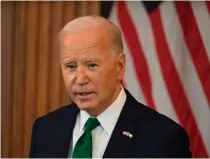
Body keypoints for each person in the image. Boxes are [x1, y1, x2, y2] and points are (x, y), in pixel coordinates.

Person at [29, 15, 192, 158]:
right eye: (71, 66)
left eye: (92, 65)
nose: (79, 79)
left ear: (119, 66)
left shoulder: (164, 138)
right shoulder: (46, 129)